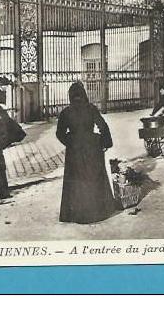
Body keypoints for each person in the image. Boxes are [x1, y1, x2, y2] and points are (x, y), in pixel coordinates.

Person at [56, 81, 116, 224]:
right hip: (92, 147)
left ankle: (76, 214)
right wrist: (105, 143)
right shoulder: (91, 109)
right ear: (84, 95)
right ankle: (98, 211)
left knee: (76, 182)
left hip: (74, 151)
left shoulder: (65, 112)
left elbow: (59, 133)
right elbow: (103, 126)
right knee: (93, 178)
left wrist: (70, 142)